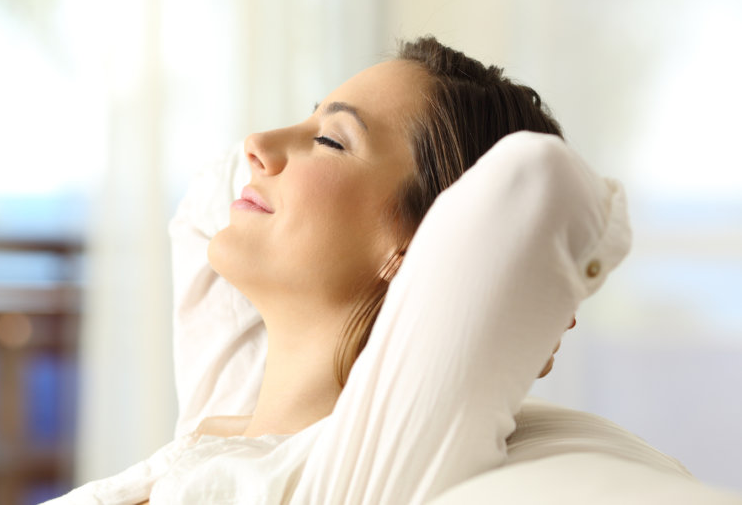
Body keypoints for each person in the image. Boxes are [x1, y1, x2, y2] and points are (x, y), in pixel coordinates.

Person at [46, 36, 632, 504]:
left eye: (329, 140)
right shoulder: (219, 418)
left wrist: (518, 310)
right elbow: (208, 198)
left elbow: (543, 182)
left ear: (417, 254)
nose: (256, 143)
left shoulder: (358, 470)